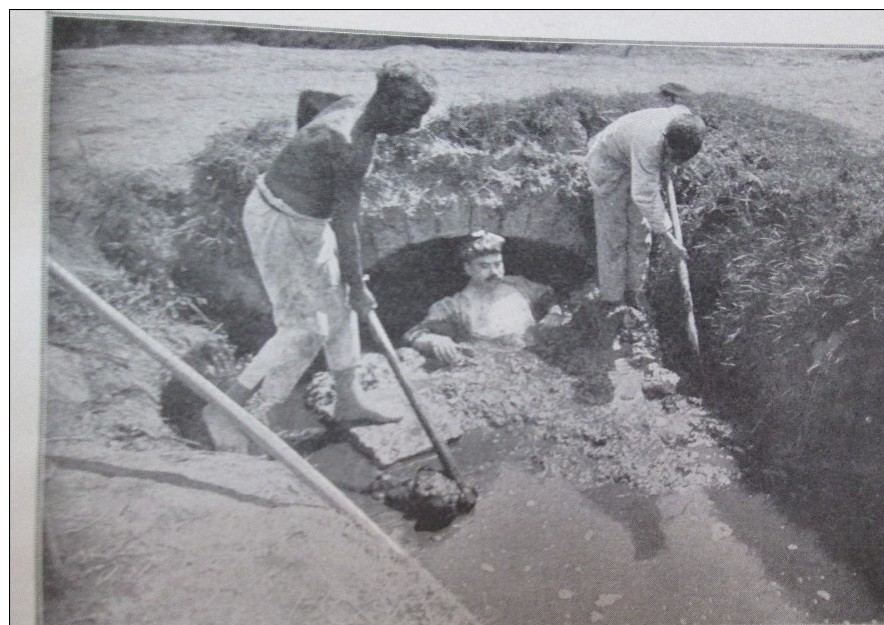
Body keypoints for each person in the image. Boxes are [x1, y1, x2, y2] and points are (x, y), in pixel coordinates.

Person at [203, 62, 437, 452]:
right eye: (414, 115)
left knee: (340, 306)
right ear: (390, 104)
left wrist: (305, 169)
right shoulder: (349, 146)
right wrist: (359, 284)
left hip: (305, 220)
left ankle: (349, 401)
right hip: (280, 221)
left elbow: (309, 99)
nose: (417, 126)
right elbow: (346, 224)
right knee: (304, 329)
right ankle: (228, 410)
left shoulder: (353, 103)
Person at [584, 105, 707, 315]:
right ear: (665, 138)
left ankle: (634, 292)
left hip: (636, 163)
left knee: (640, 233)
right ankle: (613, 300)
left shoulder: (684, 121)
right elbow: (645, 194)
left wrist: (668, 163)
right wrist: (670, 240)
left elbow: (648, 184)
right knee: (614, 234)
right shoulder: (649, 143)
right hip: (609, 161)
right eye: (669, 154)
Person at [403, 231, 562, 365]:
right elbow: (415, 335)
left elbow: (548, 296)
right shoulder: (453, 307)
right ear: (468, 269)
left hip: (538, 361)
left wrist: (554, 313)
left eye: (498, 264)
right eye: (484, 266)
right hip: (490, 370)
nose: (494, 272)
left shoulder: (518, 284)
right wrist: (435, 341)